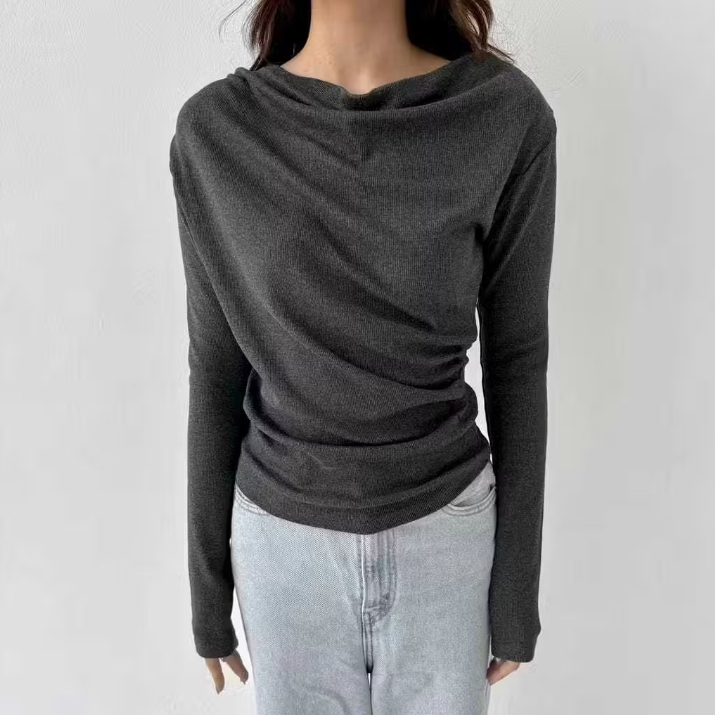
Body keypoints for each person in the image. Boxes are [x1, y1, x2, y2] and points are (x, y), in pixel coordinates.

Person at [168, 0, 557, 712]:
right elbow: (216, 367)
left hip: (447, 531)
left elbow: (518, 357)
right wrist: (206, 593)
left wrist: (515, 592)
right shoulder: (218, 133)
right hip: (281, 544)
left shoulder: (502, 116)